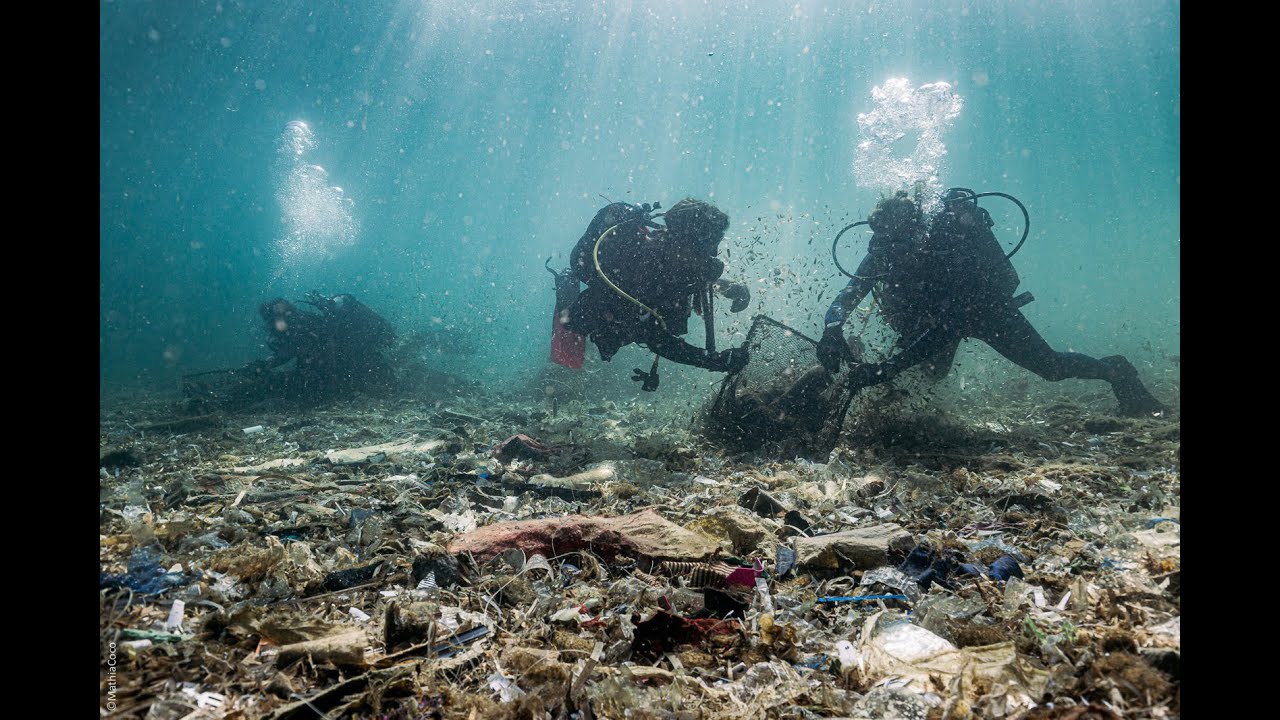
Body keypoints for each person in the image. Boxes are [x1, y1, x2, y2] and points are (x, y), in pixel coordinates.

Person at [817, 188, 1165, 417]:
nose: (891, 249)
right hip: (935, 323)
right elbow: (850, 293)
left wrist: (890, 367)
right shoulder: (885, 250)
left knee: (1052, 369)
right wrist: (832, 326)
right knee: (925, 377)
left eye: (899, 239)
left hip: (985, 312)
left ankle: (1117, 371)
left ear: (917, 231)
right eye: (884, 238)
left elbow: (949, 326)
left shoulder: (949, 248)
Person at [555, 198, 751, 390]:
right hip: (607, 307)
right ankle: (566, 287)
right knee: (574, 323)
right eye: (704, 249)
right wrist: (714, 361)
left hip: (637, 311)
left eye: (712, 246)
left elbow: (688, 278)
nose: (711, 254)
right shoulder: (637, 267)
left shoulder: (679, 256)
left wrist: (729, 288)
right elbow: (657, 341)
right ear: (681, 241)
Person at [251, 291, 397, 402]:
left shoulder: (298, 326)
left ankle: (392, 381)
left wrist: (332, 376)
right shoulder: (299, 323)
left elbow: (315, 346)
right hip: (347, 357)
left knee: (373, 373)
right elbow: (293, 350)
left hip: (348, 357)